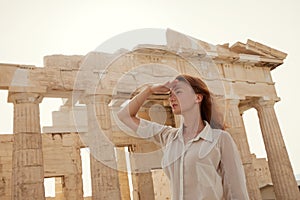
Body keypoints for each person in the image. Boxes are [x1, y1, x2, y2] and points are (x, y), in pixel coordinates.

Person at [117, 74, 250, 200]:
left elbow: (237, 192)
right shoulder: (168, 136)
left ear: (198, 98)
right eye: (170, 94)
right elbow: (124, 115)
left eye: (178, 92)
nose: (172, 97)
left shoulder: (220, 139)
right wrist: (149, 90)